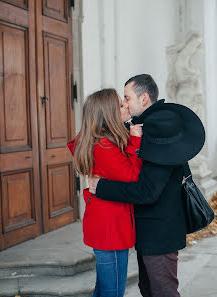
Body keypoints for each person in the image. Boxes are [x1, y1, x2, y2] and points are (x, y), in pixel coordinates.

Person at [88, 74, 205, 297]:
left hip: (159, 231)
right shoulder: (146, 125)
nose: (124, 103)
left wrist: (101, 187)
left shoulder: (157, 127)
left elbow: (148, 191)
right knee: (149, 289)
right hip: (151, 229)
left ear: (143, 99)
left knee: (162, 291)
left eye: (126, 97)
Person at [67, 88, 144, 297]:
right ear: (107, 113)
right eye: (121, 104)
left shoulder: (101, 140)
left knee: (103, 289)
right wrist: (136, 140)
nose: (126, 105)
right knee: (113, 292)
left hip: (106, 225)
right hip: (111, 229)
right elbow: (132, 175)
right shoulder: (103, 146)